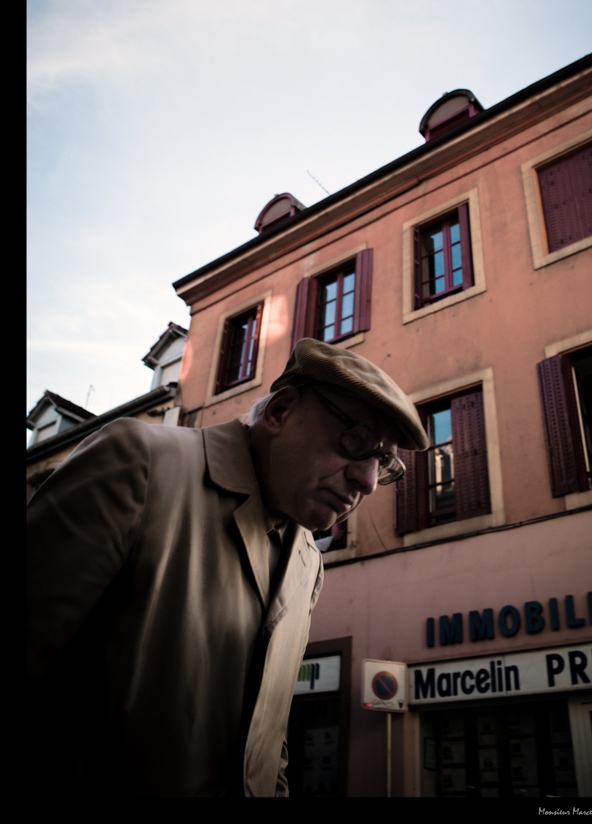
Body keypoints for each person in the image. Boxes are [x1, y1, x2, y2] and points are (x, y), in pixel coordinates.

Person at [27, 338, 428, 797]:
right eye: (356, 440)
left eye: (383, 461)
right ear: (280, 411)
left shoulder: (308, 560)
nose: (369, 481)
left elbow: (268, 744)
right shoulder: (141, 462)